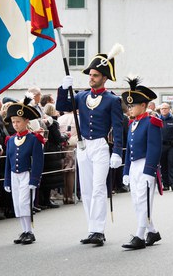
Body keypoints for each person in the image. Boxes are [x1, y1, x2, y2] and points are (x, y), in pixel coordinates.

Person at [56, 46, 124, 246]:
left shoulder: (112, 100)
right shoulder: (82, 97)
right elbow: (62, 107)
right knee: (85, 190)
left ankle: (99, 230)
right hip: (83, 146)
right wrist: (62, 89)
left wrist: (117, 152)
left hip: (101, 146)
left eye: (95, 75)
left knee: (98, 189)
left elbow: (118, 128)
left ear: (104, 78)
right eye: (90, 75)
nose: (91, 78)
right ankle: (91, 228)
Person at [121, 77, 163, 250]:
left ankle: (139, 236)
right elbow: (128, 150)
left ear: (144, 105)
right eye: (129, 105)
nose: (130, 108)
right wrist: (125, 171)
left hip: (146, 165)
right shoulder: (132, 123)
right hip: (134, 166)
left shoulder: (151, 122)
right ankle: (152, 232)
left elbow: (154, 148)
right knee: (137, 201)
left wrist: (149, 170)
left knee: (143, 200)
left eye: (133, 105)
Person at [3, 96, 44, 244]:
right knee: (18, 204)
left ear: (26, 121)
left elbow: (38, 161)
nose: (15, 124)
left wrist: (35, 179)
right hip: (14, 175)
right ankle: (24, 230)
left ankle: (30, 232)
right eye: (13, 122)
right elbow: (8, 161)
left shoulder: (34, 139)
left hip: (26, 174)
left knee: (25, 203)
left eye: (18, 121)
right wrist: (7, 179)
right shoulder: (10, 140)